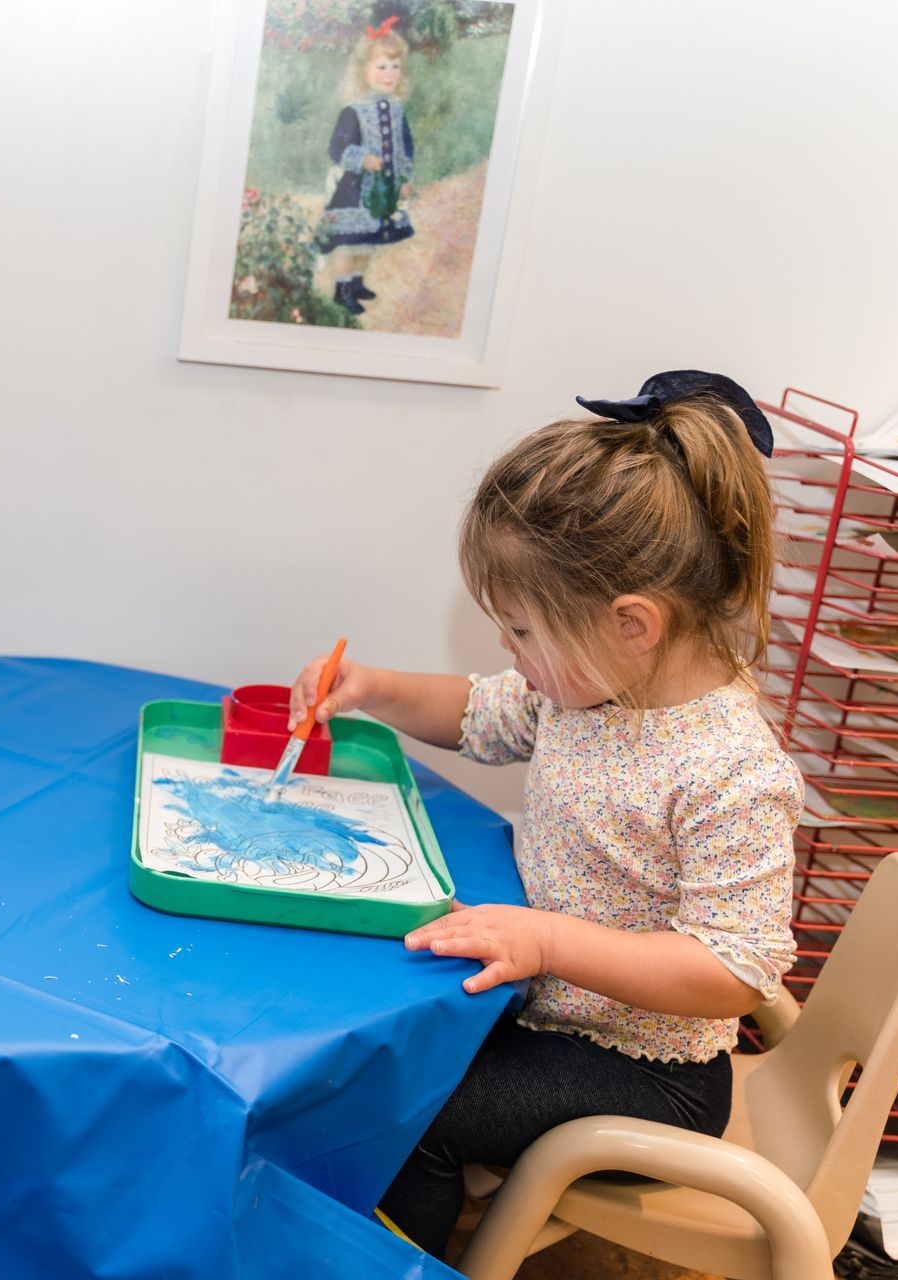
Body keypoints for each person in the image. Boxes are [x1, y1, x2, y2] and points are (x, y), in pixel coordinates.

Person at [287, 371, 801, 1258]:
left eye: (523, 633)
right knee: (384, 1052)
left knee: (413, 1109)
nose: (508, 653)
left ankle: (397, 1258)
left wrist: (550, 942)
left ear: (631, 623)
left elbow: (732, 970)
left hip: (648, 1076)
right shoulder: (591, 692)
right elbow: (473, 715)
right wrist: (370, 690)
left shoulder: (732, 771)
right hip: (554, 1018)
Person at [315, 16, 415, 316]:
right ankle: (342, 288)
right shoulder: (354, 111)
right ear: (364, 71)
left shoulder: (397, 111)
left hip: (385, 192)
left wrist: (406, 177)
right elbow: (338, 148)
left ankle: (357, 282)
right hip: (354, 191)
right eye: (381, 66)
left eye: (395, 67)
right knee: (349, 242)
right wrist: (362, 158)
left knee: (370, 241)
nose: (389, 74)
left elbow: (406, 147)